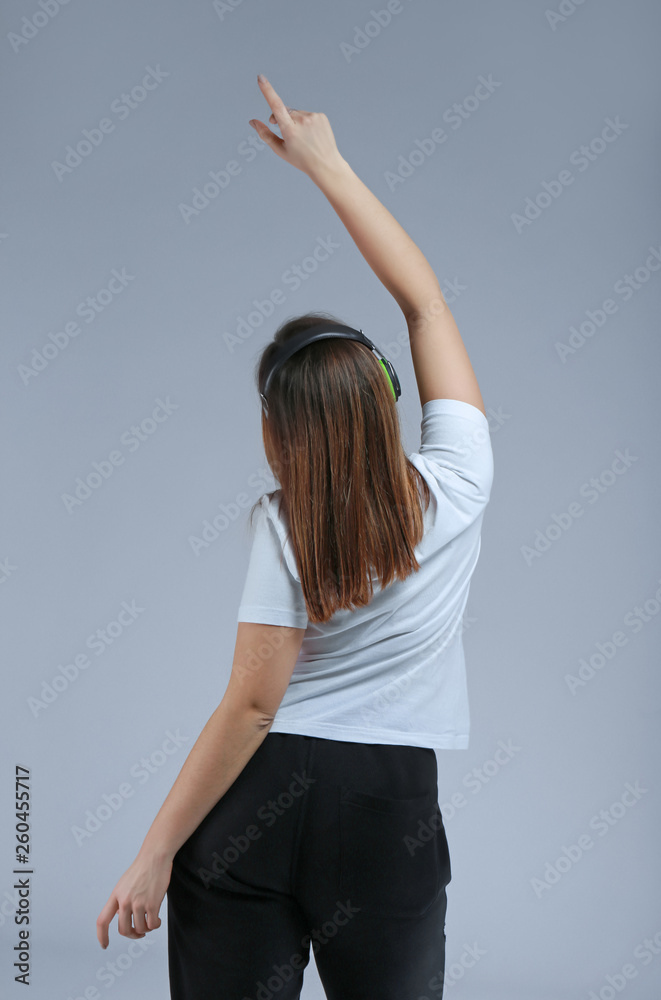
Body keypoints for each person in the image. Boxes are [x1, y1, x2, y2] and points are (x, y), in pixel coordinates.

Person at [96, 74, 494, 999]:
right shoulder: (460, 481)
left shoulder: (283, 523)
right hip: (387, 805)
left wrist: (154, 852)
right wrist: (330, 166)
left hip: (257, 800)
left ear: (281, 433)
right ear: (385, 398)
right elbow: (425, 305)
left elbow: (251, 708)